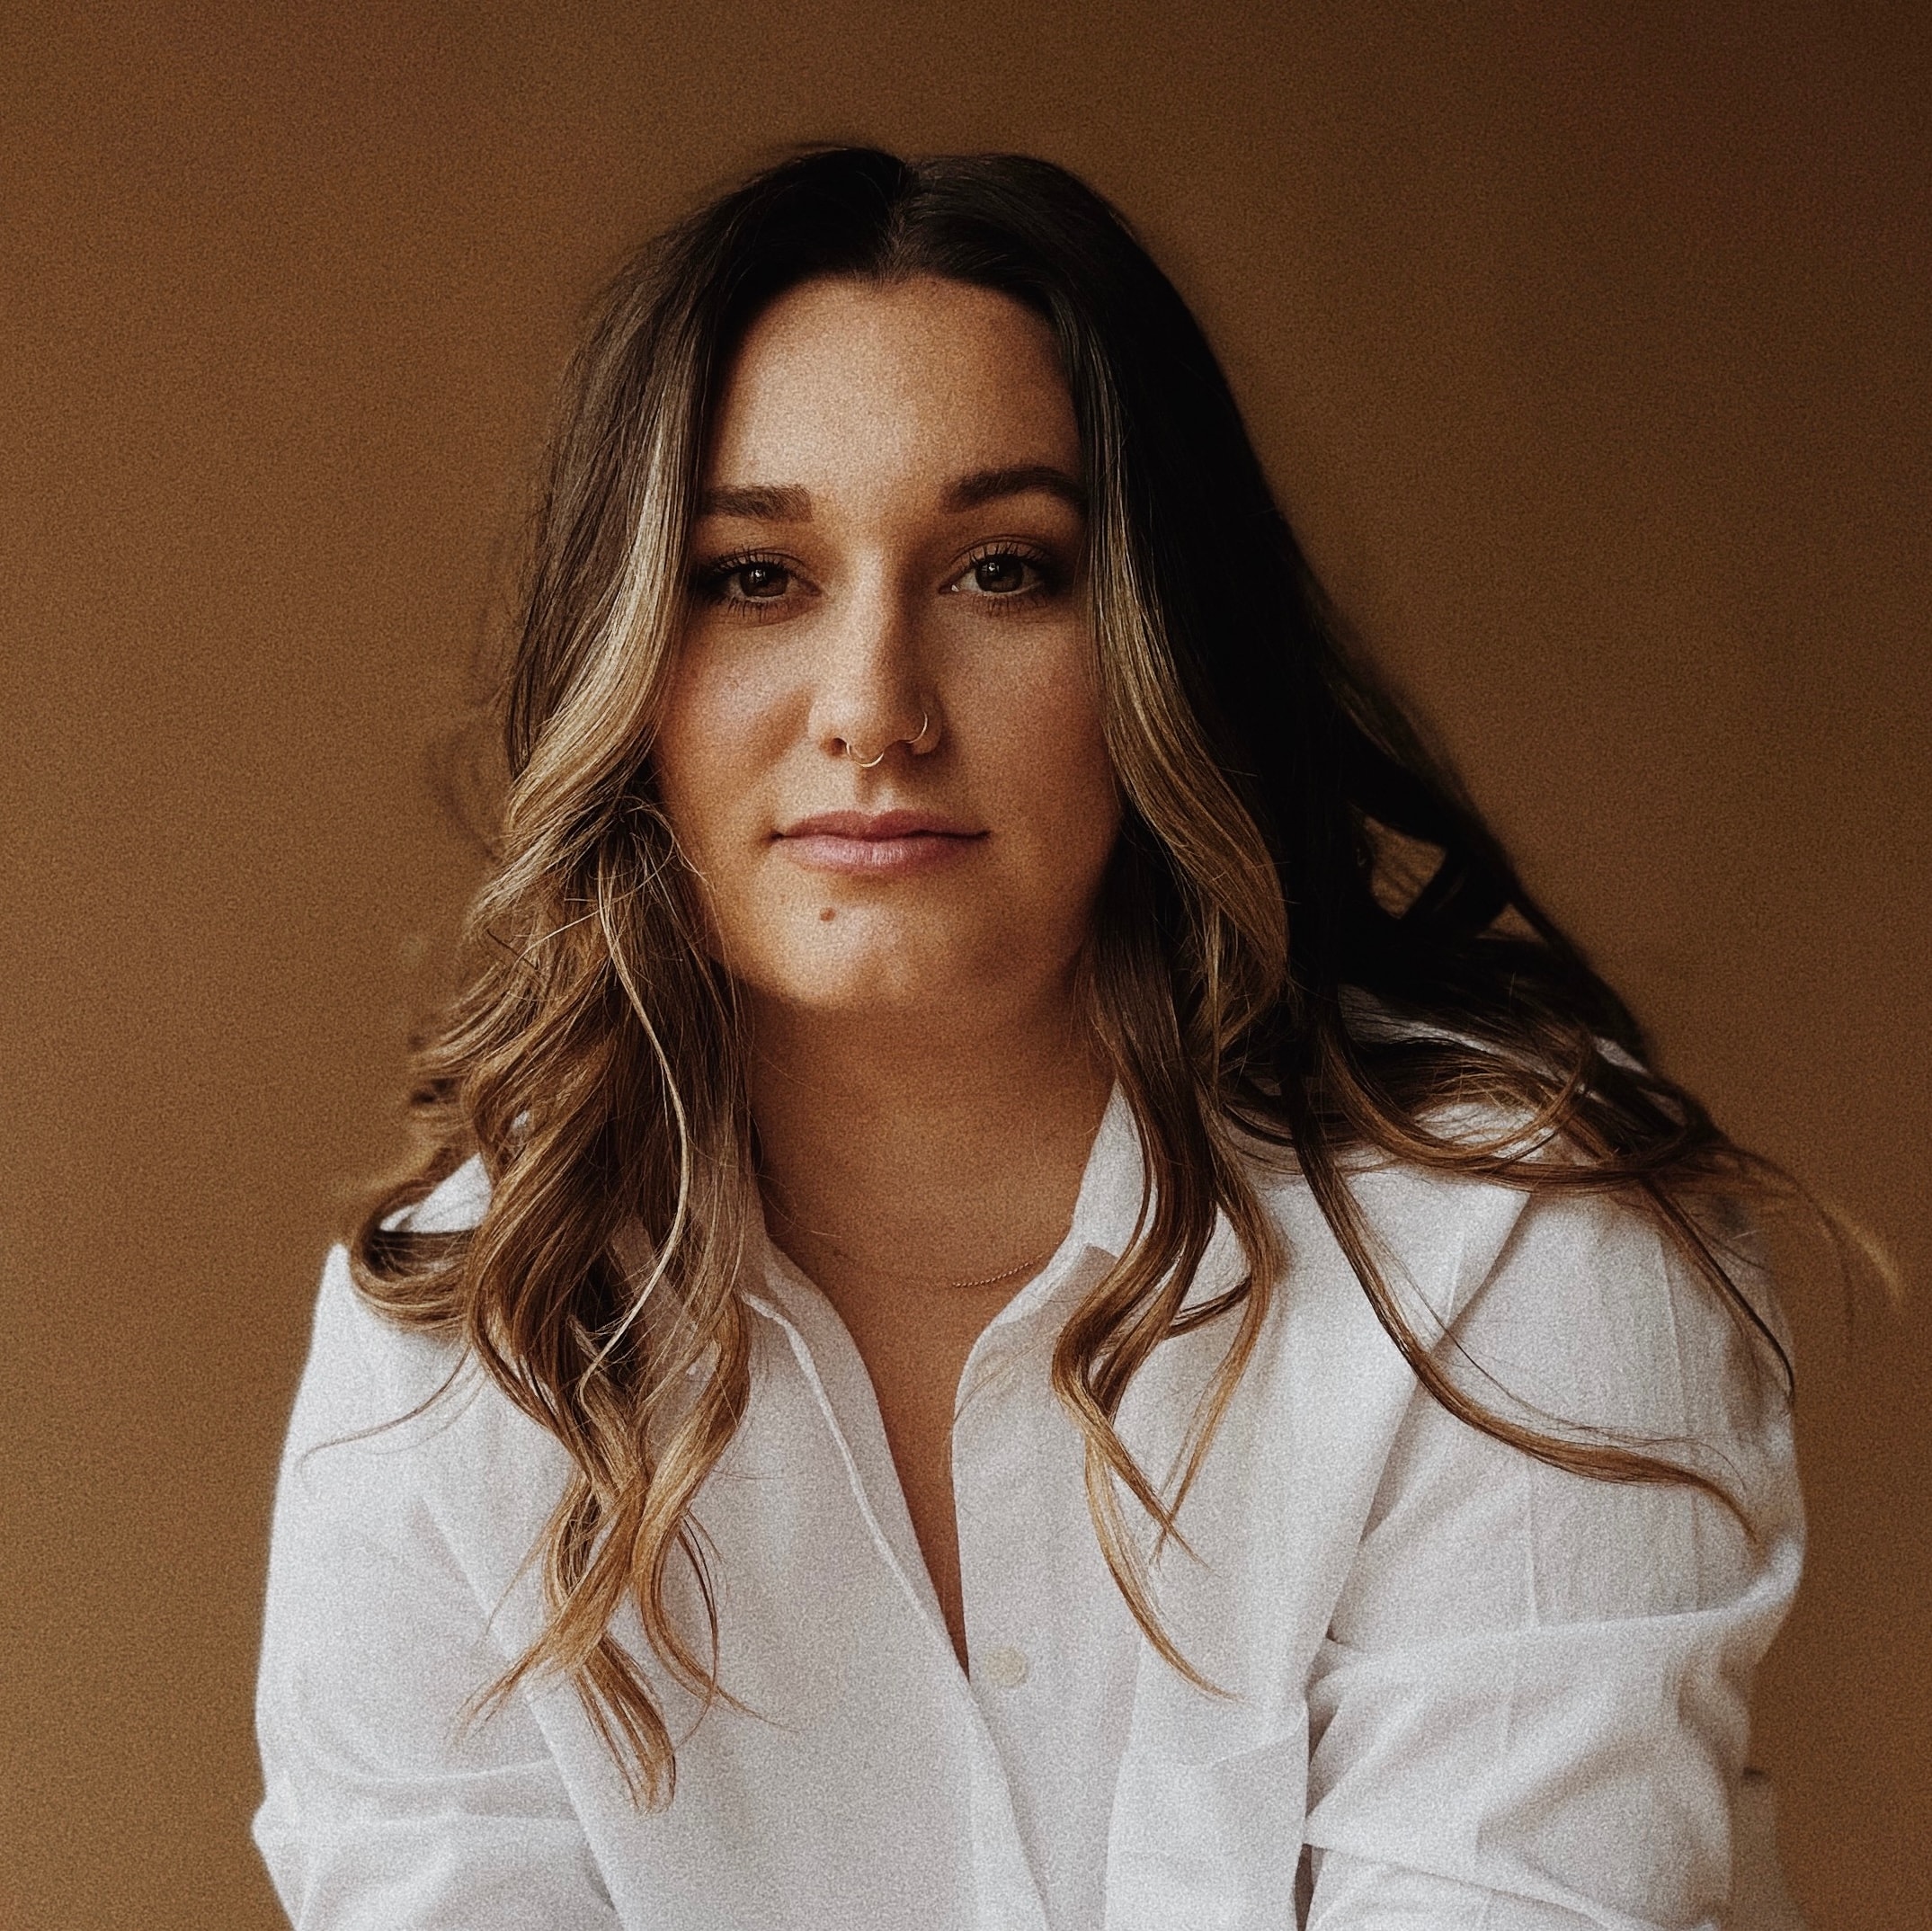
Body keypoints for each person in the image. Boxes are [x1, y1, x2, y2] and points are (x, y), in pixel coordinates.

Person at [252, 147, 1803, 1931]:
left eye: (1003, 570)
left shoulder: (1506, 1255)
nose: (872, 712)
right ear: (630, 671)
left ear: (1159, 645)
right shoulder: (463, 1335)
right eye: (753, 577)